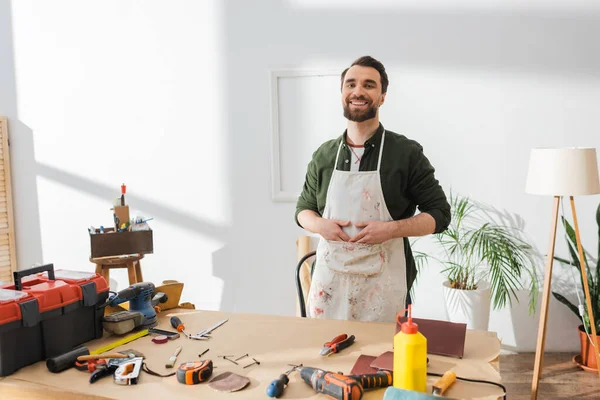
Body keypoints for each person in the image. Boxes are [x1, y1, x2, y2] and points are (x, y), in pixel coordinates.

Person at [295, 56, 451, 322]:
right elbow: (303, 210)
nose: (358, 91)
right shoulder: (324, 155)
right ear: (342, 93)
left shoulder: (405, 153)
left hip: (385, 287)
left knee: (383, 361)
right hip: (330, 284)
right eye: (350, 84)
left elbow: (439, 215)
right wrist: (321, 226)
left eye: (369, 85)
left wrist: (391, 229)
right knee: (326, 360)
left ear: (382, 97)